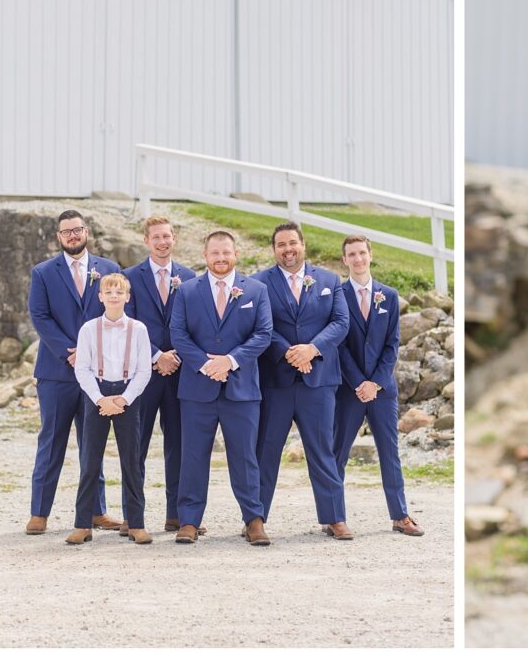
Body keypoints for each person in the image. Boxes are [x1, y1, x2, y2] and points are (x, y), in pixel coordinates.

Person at [168, 230, 273, 546]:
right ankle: (188, 521)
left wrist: (229, 360)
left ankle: (253, 520)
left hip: (241, 389)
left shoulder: (256, 290)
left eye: (226, 252)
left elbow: (263, 333)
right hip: (197, 389)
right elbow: (178, 334)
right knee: (193, 456)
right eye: (215, 253)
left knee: (244, 457)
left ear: (236, 254)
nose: (221, 258)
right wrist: (205, 364)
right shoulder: (187, 291)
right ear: (205, 255)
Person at [26, 210, 121, 535]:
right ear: (58, 237)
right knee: (51, 440)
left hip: (97, 373)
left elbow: (116, 315)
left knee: (92, 442)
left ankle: (97, 511)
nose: (72, 235)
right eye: (66, 231)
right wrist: (72, 351)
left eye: (77, 229)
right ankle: (39, 512)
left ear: (86, 231)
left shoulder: (108, 270)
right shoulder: (43, 272)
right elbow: (40, 316)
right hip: (57, 371)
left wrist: (91, 353)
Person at [253, 223, 351, 538]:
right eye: (281, 244)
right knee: (266, 451)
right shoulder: (258, 284)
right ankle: (255, 519)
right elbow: (260, 327)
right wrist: (289, 352)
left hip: (319, 381)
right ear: (274, 249)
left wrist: (312, 349)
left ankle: (334, 517)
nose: (288, 249)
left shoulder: (329, 280)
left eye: (292, 243)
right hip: (276, 381)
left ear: (303, 244)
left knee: (323, 450)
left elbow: (340, 322)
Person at [333, 235, 423, 536]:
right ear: (344, 260)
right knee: (339, 452)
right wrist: (359, 382)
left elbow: (392, 344)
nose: (357, 259)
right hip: (349, 389)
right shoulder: (336, 294)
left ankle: (400, 515)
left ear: (370, 255)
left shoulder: (389, 295)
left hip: (383, 390)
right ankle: (334, 516)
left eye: (362, 253)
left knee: (389, 451)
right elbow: (339, 346)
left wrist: (375, 383)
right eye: (351, 254)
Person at [122, 216, 197, 534]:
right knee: (135, 445)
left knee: (179, 445)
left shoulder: (189, 277)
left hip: (180, 373)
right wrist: (156, 356)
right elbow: (128, 323)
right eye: (156, 237)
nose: (162, 242)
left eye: (167, 236)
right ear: (146, 241)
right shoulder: (130, 277)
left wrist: (175, 357)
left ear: (174, 239)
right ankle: (131, 517)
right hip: (143, 372)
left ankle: (176, 514)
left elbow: (194, 324)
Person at [67, 274, 153, 545]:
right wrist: (99, 399)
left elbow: (144, 370)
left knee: (131, 461)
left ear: (128, 297)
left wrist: (124, 399)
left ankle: (136, 523)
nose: (114, 295)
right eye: (109, 291)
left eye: (120, 291)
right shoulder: (88, 330)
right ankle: (83, 523)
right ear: (100, 296)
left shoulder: (138, 329)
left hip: (128, 395)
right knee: (90, 459)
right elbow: (82, 368)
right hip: (97, 395)